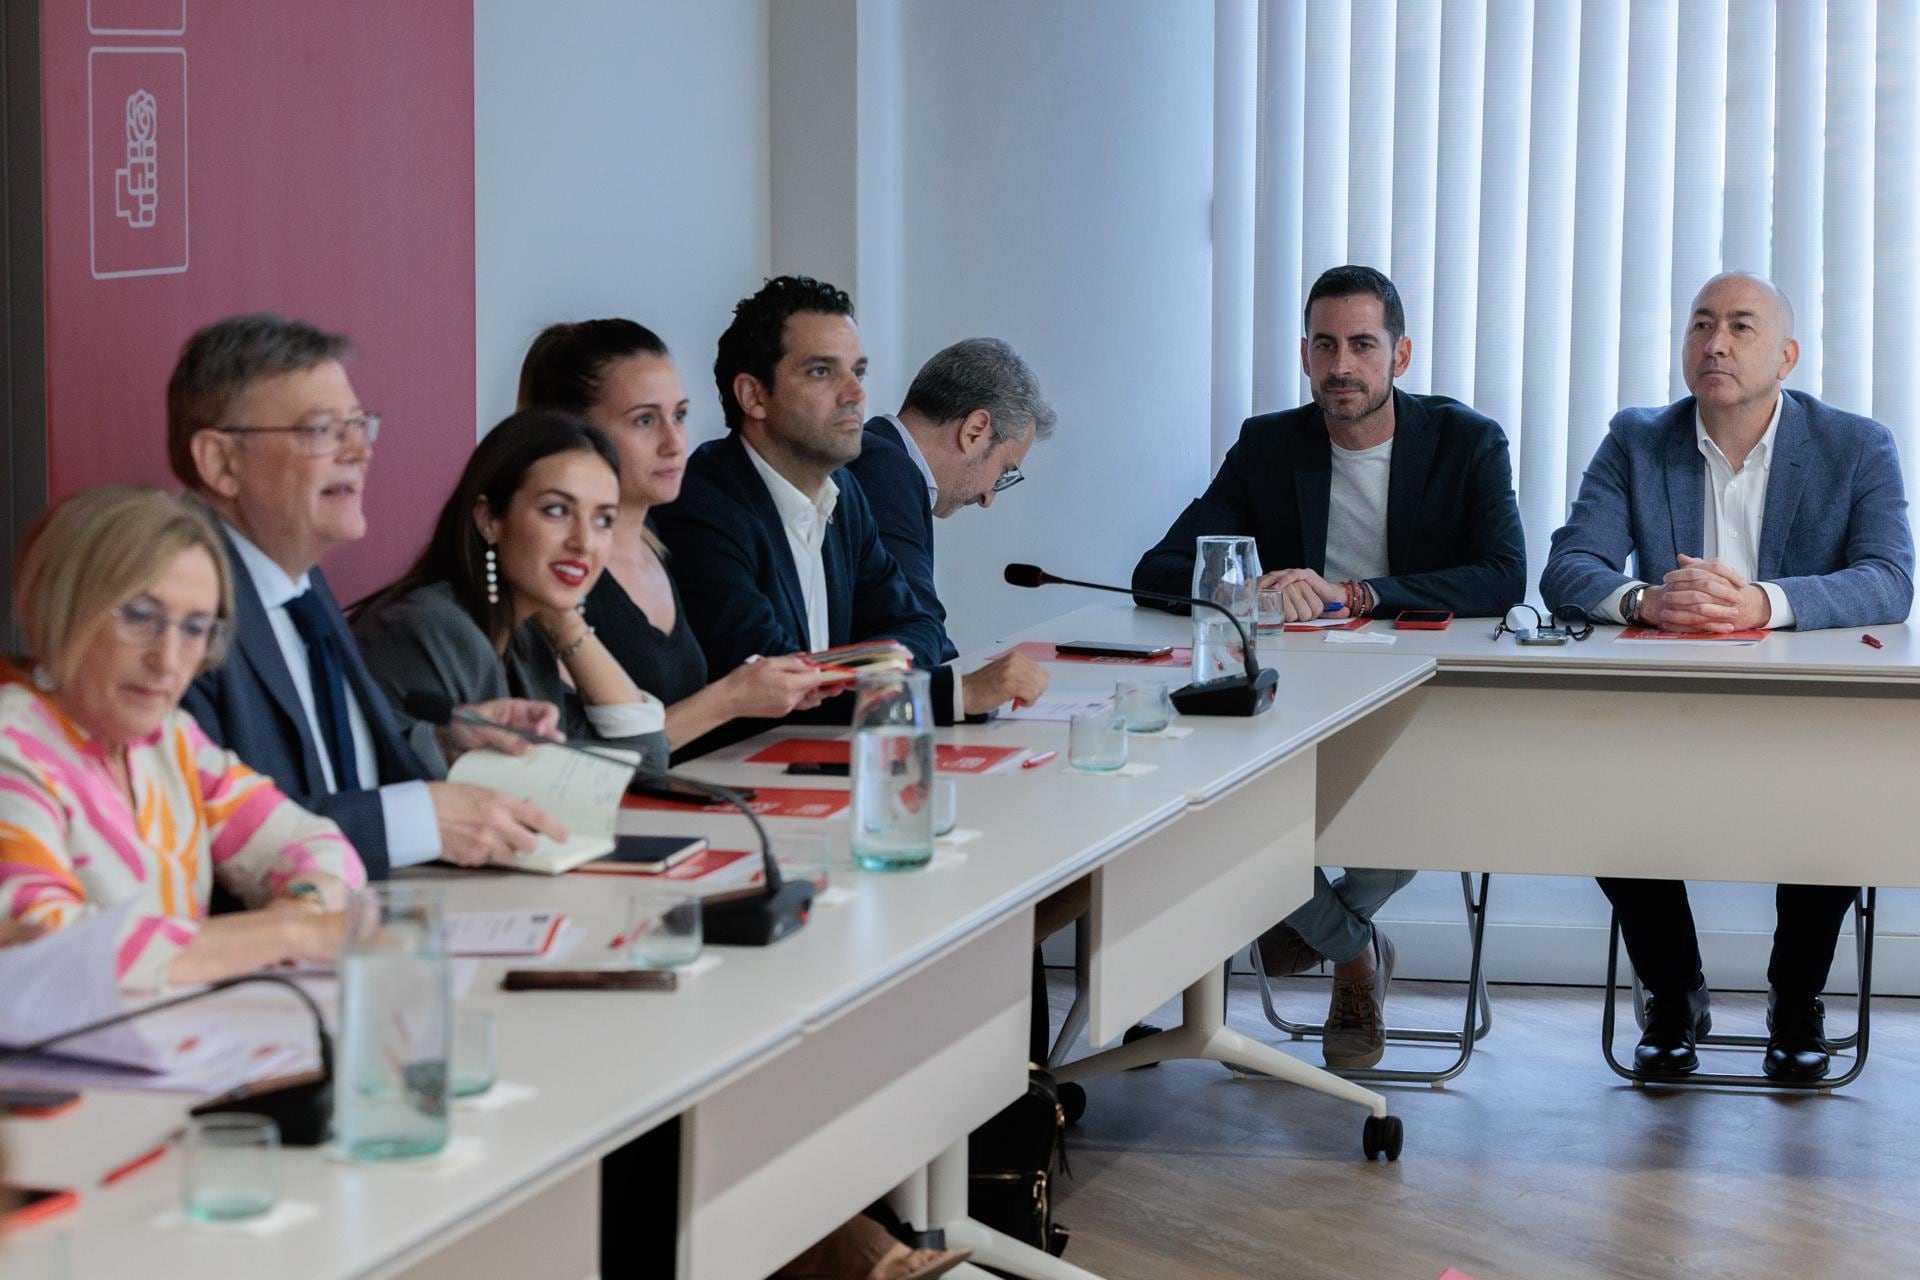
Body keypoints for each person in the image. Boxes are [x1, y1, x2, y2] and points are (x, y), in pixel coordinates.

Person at [1132, 265, 1526, 1069]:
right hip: (1294, 697)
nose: (1340, 364)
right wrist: (1248, 588)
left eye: (1361, 344)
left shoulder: (1467, 441)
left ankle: (1316, 927)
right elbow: (1158, 570)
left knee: (1409, 806)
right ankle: (1353, 954)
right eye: (1323, 345)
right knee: (1235, 815)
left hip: (1421, 691)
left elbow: (1503, 576)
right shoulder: (1269, 445)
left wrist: (1356, 593)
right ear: (1305, 355)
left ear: (1400, 355)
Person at [1542, 271, 1914, 1082]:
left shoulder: (1857, 445)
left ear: (1785, 356)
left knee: (1840, 798)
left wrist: (1763, 604)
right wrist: (1644, 600)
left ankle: (1796, 1001)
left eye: (1741, 327)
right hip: (1668, 708)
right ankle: (1673, 995)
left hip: (1807, 711)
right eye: (1701, 325)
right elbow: (1568, 567)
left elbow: (1890, 578)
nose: (1716, 343)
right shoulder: (1637, 439)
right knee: (1603, 791)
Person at [172, 314, 567, 876]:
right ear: (221, 462)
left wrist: (444, 742)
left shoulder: (300, 584)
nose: (359, 450)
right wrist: (423, 819)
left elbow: (334, 773)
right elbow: (208, 831)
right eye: (322, 430)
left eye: (359, 425)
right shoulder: (177, 612)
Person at [0, 486, 363, 990]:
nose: (168, 661)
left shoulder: (171, 741)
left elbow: (320, 846)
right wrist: (290, 932)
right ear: (61, 605)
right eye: (139, 617)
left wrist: (304, 905)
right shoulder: (13, 747)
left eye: (195, 629)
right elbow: (47, 949)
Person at [654, 275, 1032, 742]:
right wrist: (953, 694)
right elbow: (777, 693)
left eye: (858, 372)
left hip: (816, 764)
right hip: (733, 781)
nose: (855, 393)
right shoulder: (705, 505)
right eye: (822, 372)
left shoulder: (844, 494)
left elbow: (916, 623)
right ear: (754, 396)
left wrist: (876, 674)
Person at [515, 321, 839, 758]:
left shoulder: (660, 546)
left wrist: (763, 695)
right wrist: (731, 698)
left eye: (680, 416)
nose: (674, 443)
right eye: (645, 420)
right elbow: (576, 758)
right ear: (574, 431)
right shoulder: (552, 568)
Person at [351, 410, 671, 775]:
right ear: (489, 519)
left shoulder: (527, 636)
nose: (584, 542)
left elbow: (642, 761)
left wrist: (565, 622)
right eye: (556, 511)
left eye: (603, 520)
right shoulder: (427, 628)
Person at [846, 338, 1052, 717]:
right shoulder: (885, 470)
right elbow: (909, 634)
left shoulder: (884, 459)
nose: (990, 497)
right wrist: (967, 693)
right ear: (975, 430)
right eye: (1005, 472)